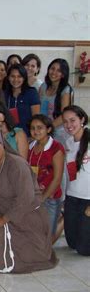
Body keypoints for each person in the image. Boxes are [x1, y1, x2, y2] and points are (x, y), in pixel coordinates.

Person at [0, 127, 57, 273]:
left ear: (2, 144)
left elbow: (26, 198)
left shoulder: (16, 164)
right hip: (2, 213)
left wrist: (4, 219)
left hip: (26, 217)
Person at [28, 115, 65, 236]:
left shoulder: (56, 148)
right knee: (35, 232)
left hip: (50, 198)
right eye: (32, 128)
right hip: (33, 197)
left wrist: (42, 198)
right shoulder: (30, 146)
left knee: (48, 233)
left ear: (48, 129)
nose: (35, 131)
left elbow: (57, 178)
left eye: (40, 128)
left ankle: (63, 219)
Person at [62, 106, 90, 256]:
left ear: (82, 119)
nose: (68, 125)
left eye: (72, 120)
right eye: (65, 122)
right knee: (72, 243)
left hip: (88, 199)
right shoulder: (68, 142)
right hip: (72, 198)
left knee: (83, 249)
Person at [39, 58, 73, 144]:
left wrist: (48, 129)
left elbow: (64, 115)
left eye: (59, 70)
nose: (54, 72)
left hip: (58, 131)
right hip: (42, 129)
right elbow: (38, 107)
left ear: (63, 74)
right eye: (52, 68)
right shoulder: (43, 86)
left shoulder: (66, 90)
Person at [4, 64, 40, 136]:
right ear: (8, 77)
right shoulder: (4, 94)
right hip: (9, 137)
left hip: (28, 136)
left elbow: (36, 118)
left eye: (19, 76)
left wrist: (33, 137)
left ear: (24, 78)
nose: (15, 79)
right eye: (12, 76)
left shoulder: (31, 93)